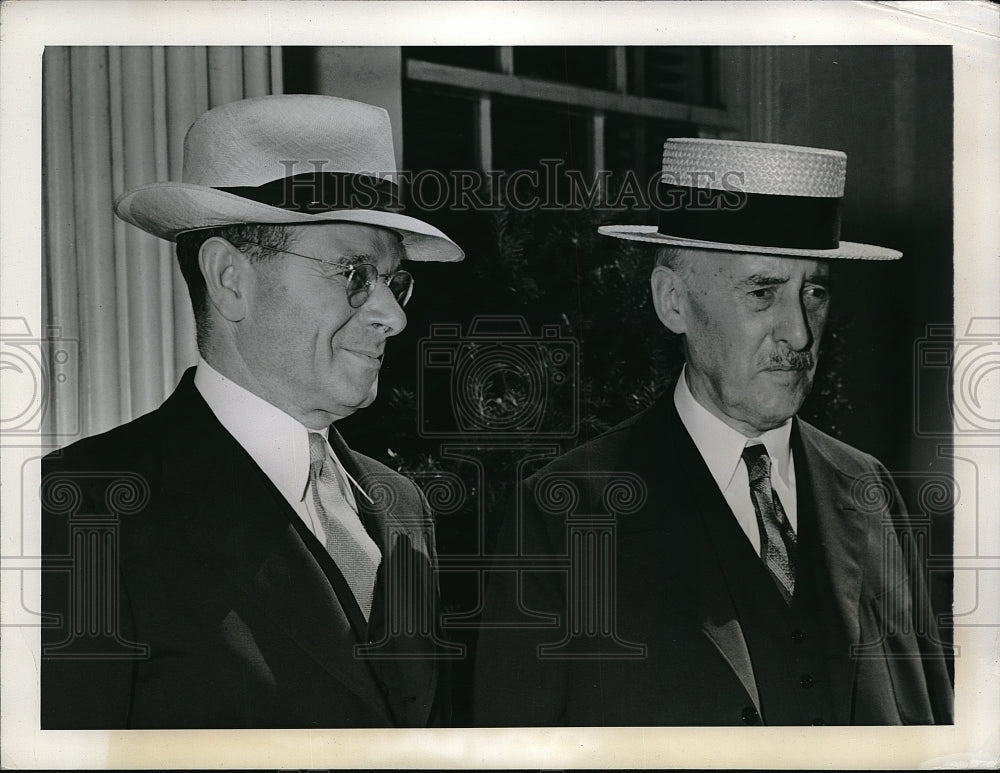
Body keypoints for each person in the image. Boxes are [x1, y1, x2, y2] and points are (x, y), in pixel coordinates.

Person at [473, 138, 954, 726]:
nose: (800, 334)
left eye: (815, 291)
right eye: (763, 291)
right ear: (673, 301)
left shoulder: (868, 488)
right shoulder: (564, 512)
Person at [40, 94, 463, 728]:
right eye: (354, 272)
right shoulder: (81, 509)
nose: (393, 316)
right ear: (230, 277)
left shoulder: (402, 506)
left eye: (394, 281)